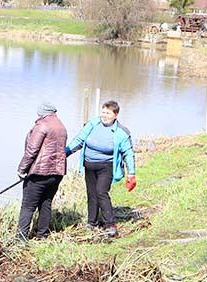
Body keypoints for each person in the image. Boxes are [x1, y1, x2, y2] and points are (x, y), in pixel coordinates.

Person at [66, 100, 137, 238]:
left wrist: (131, 174)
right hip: (89, 164)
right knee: (91, 194)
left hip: (106, 166)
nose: (104, 115)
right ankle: (91, 222)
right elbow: (79, 139)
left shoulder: (121, 132)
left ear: (115, 115)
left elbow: (128, 153)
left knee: (101, 192)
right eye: (103, 112)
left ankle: (110, 225)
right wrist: (66, 152)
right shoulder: (93, 124)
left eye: (108, 113)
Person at [16, 102, 69, 239]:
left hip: (39, 173)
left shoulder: (42, 126)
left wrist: (22, 169)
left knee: (28, 206)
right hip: (57, 173)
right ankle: (42, 235)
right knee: (46, 203)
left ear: (42, 113)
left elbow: (32, 151)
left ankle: (21, 238)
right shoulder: (61, 126)